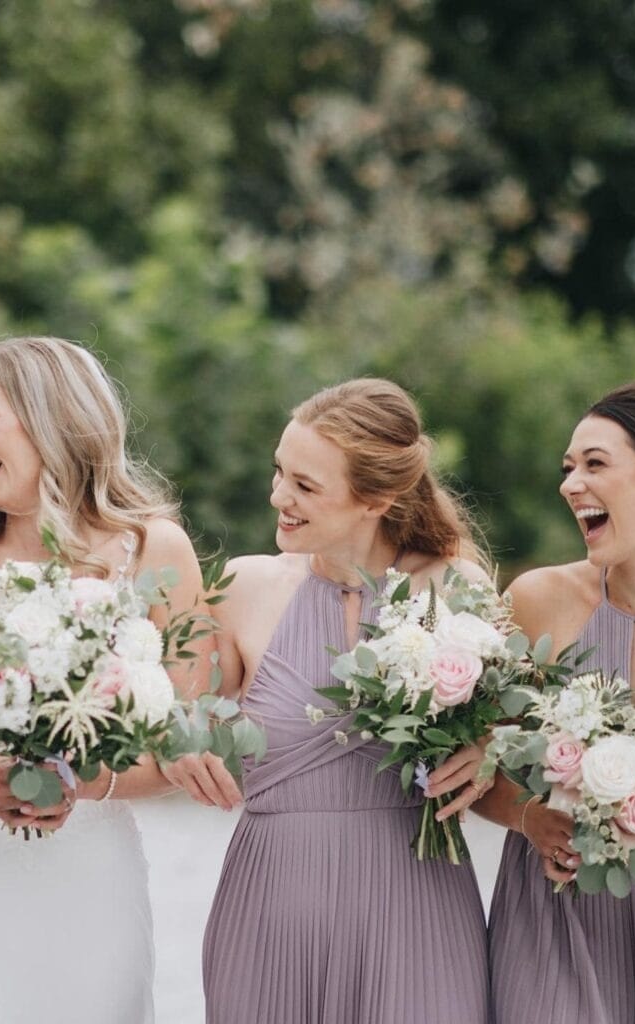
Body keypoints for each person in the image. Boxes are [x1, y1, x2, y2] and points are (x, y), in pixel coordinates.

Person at [0, 336, 239, 1024]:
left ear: (49, 417)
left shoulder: (153, 548)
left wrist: (83, 780)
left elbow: (190, 743)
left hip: (88, 885)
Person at [202, 378, 491, 1023]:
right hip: (271, 910)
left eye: (306, 486)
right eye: (280, 472)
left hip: (416, 904)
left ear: (378, 500)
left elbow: (513, 731)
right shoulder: (242, 587)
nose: (279, 497)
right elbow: (172, 724)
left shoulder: (458, 591)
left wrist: (491, 743)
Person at [480, 380, 635, 1023]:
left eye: (595, 464)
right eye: (568, 468)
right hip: (553, 918)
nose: (571, 484)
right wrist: (529, 818)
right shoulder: (539, 601)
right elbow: (475, 763)